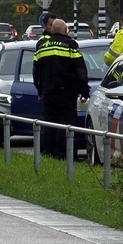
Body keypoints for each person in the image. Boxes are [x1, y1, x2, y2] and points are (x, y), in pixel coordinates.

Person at [33, 19, 90, 158]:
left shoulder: (42, 46)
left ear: (52, 30)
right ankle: (62, 154)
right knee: (65, 124)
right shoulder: (70, 45)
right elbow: (80, 70)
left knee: (49, 123)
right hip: (67, 93)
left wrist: (40, 90)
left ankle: (48, 153)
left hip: (48, 92)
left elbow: (36, 71)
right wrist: (84, 91)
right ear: (66, 31)